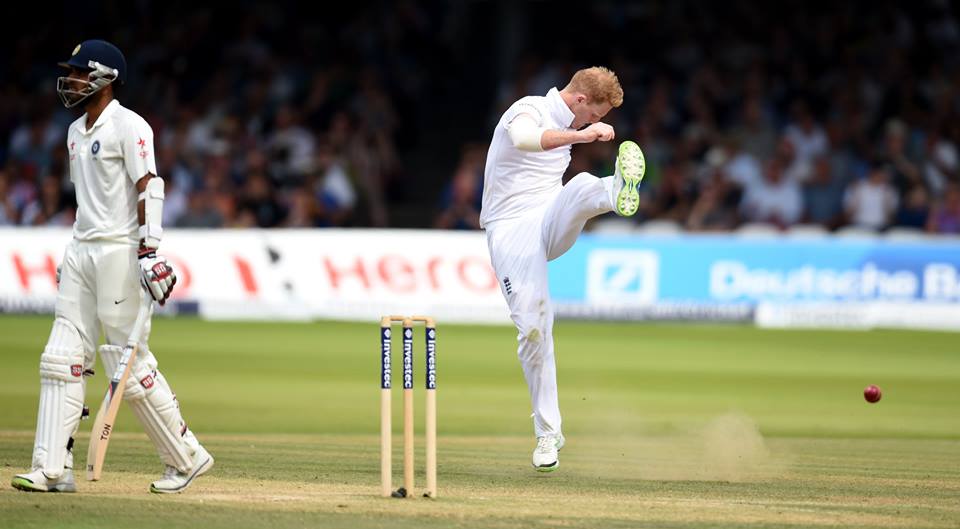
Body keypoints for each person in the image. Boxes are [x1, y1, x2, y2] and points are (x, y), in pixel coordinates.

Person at [11, 40, 213, 494]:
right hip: (82, 249)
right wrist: (76, 255)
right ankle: (52, 468)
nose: (73, 80)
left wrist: (151, 251)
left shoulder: (130, 125)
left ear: (106, 77)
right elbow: (89, 201)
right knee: (62, 357)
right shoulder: (73, 132)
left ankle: (187, 457)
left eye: (81, 72)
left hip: (121, 252)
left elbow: (149, 185)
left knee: (128, 362)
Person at [479, 67, 645, 472]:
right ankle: (547, 433)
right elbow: (525, 140)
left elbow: (569, 144)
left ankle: (615, 187)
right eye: (595, 115)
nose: (595, 124)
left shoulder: (574, 119)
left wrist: (583, 136)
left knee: (581, 186)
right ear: (581, 100)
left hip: (550, 215)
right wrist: (582, 135)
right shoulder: (529, 108)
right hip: (509, 227)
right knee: (534, 328)